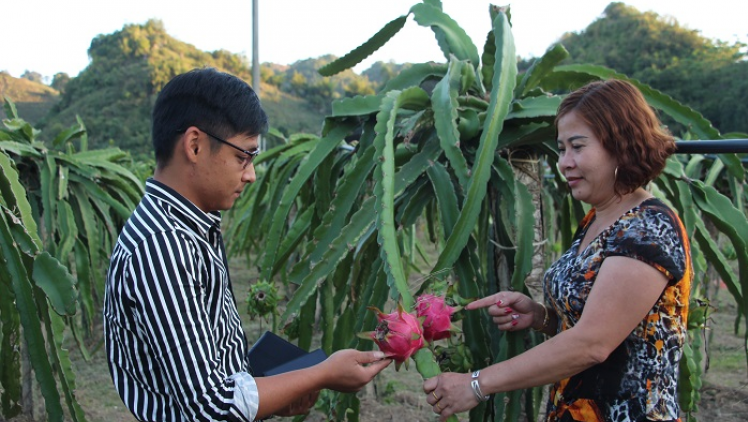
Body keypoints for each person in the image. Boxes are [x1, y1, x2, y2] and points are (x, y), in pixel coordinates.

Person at [103, 67, 391, 422]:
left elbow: (213, 370)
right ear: (194, 145)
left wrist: (279, 391)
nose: (251, 174)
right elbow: (213, 407)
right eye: (243, 156)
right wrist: (323, 373)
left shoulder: (191, 226)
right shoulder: (163, 246)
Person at [423, 79, 692, 422]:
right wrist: (541, 316)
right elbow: (606, 322)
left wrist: (477, 384)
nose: (564, 162)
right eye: (562, 148)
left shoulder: (648, 230)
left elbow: (593, 343)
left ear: (622, 144)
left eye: (577, 147)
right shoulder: (600, 219)